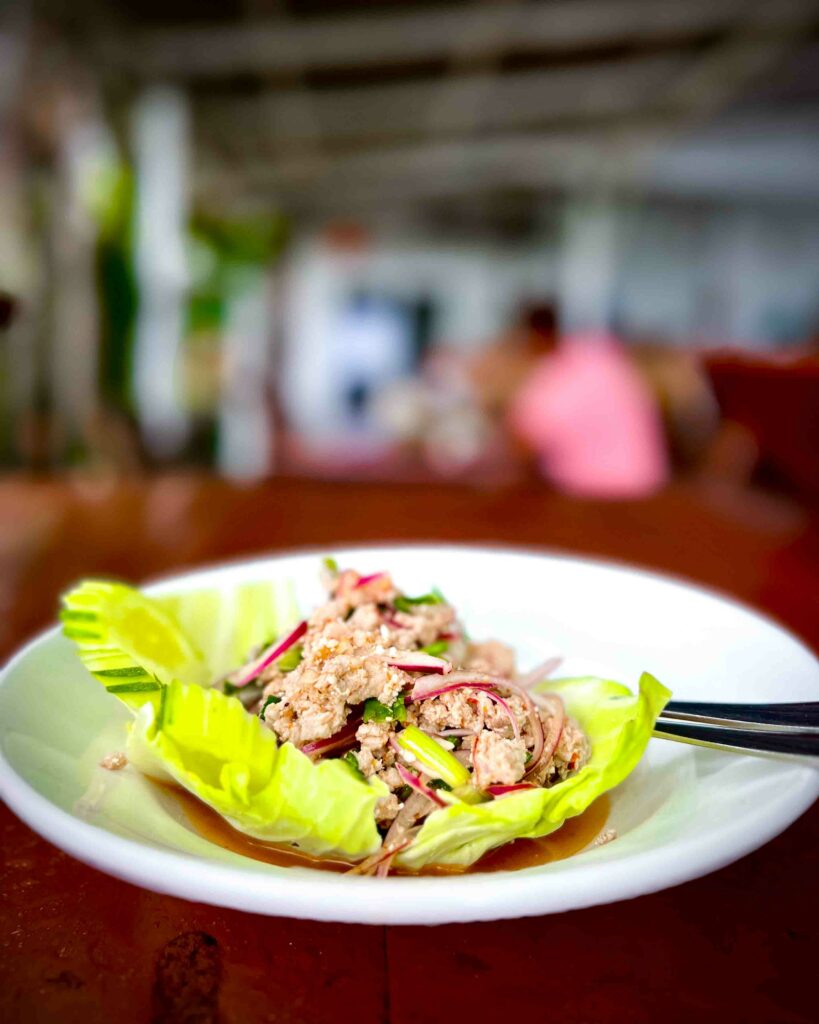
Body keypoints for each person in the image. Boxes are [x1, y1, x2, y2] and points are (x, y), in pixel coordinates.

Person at [509, 330, 669, 498]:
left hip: (591, 495)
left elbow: (526, 438)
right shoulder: (615, 366)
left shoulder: (564, 372)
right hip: (644, 490)